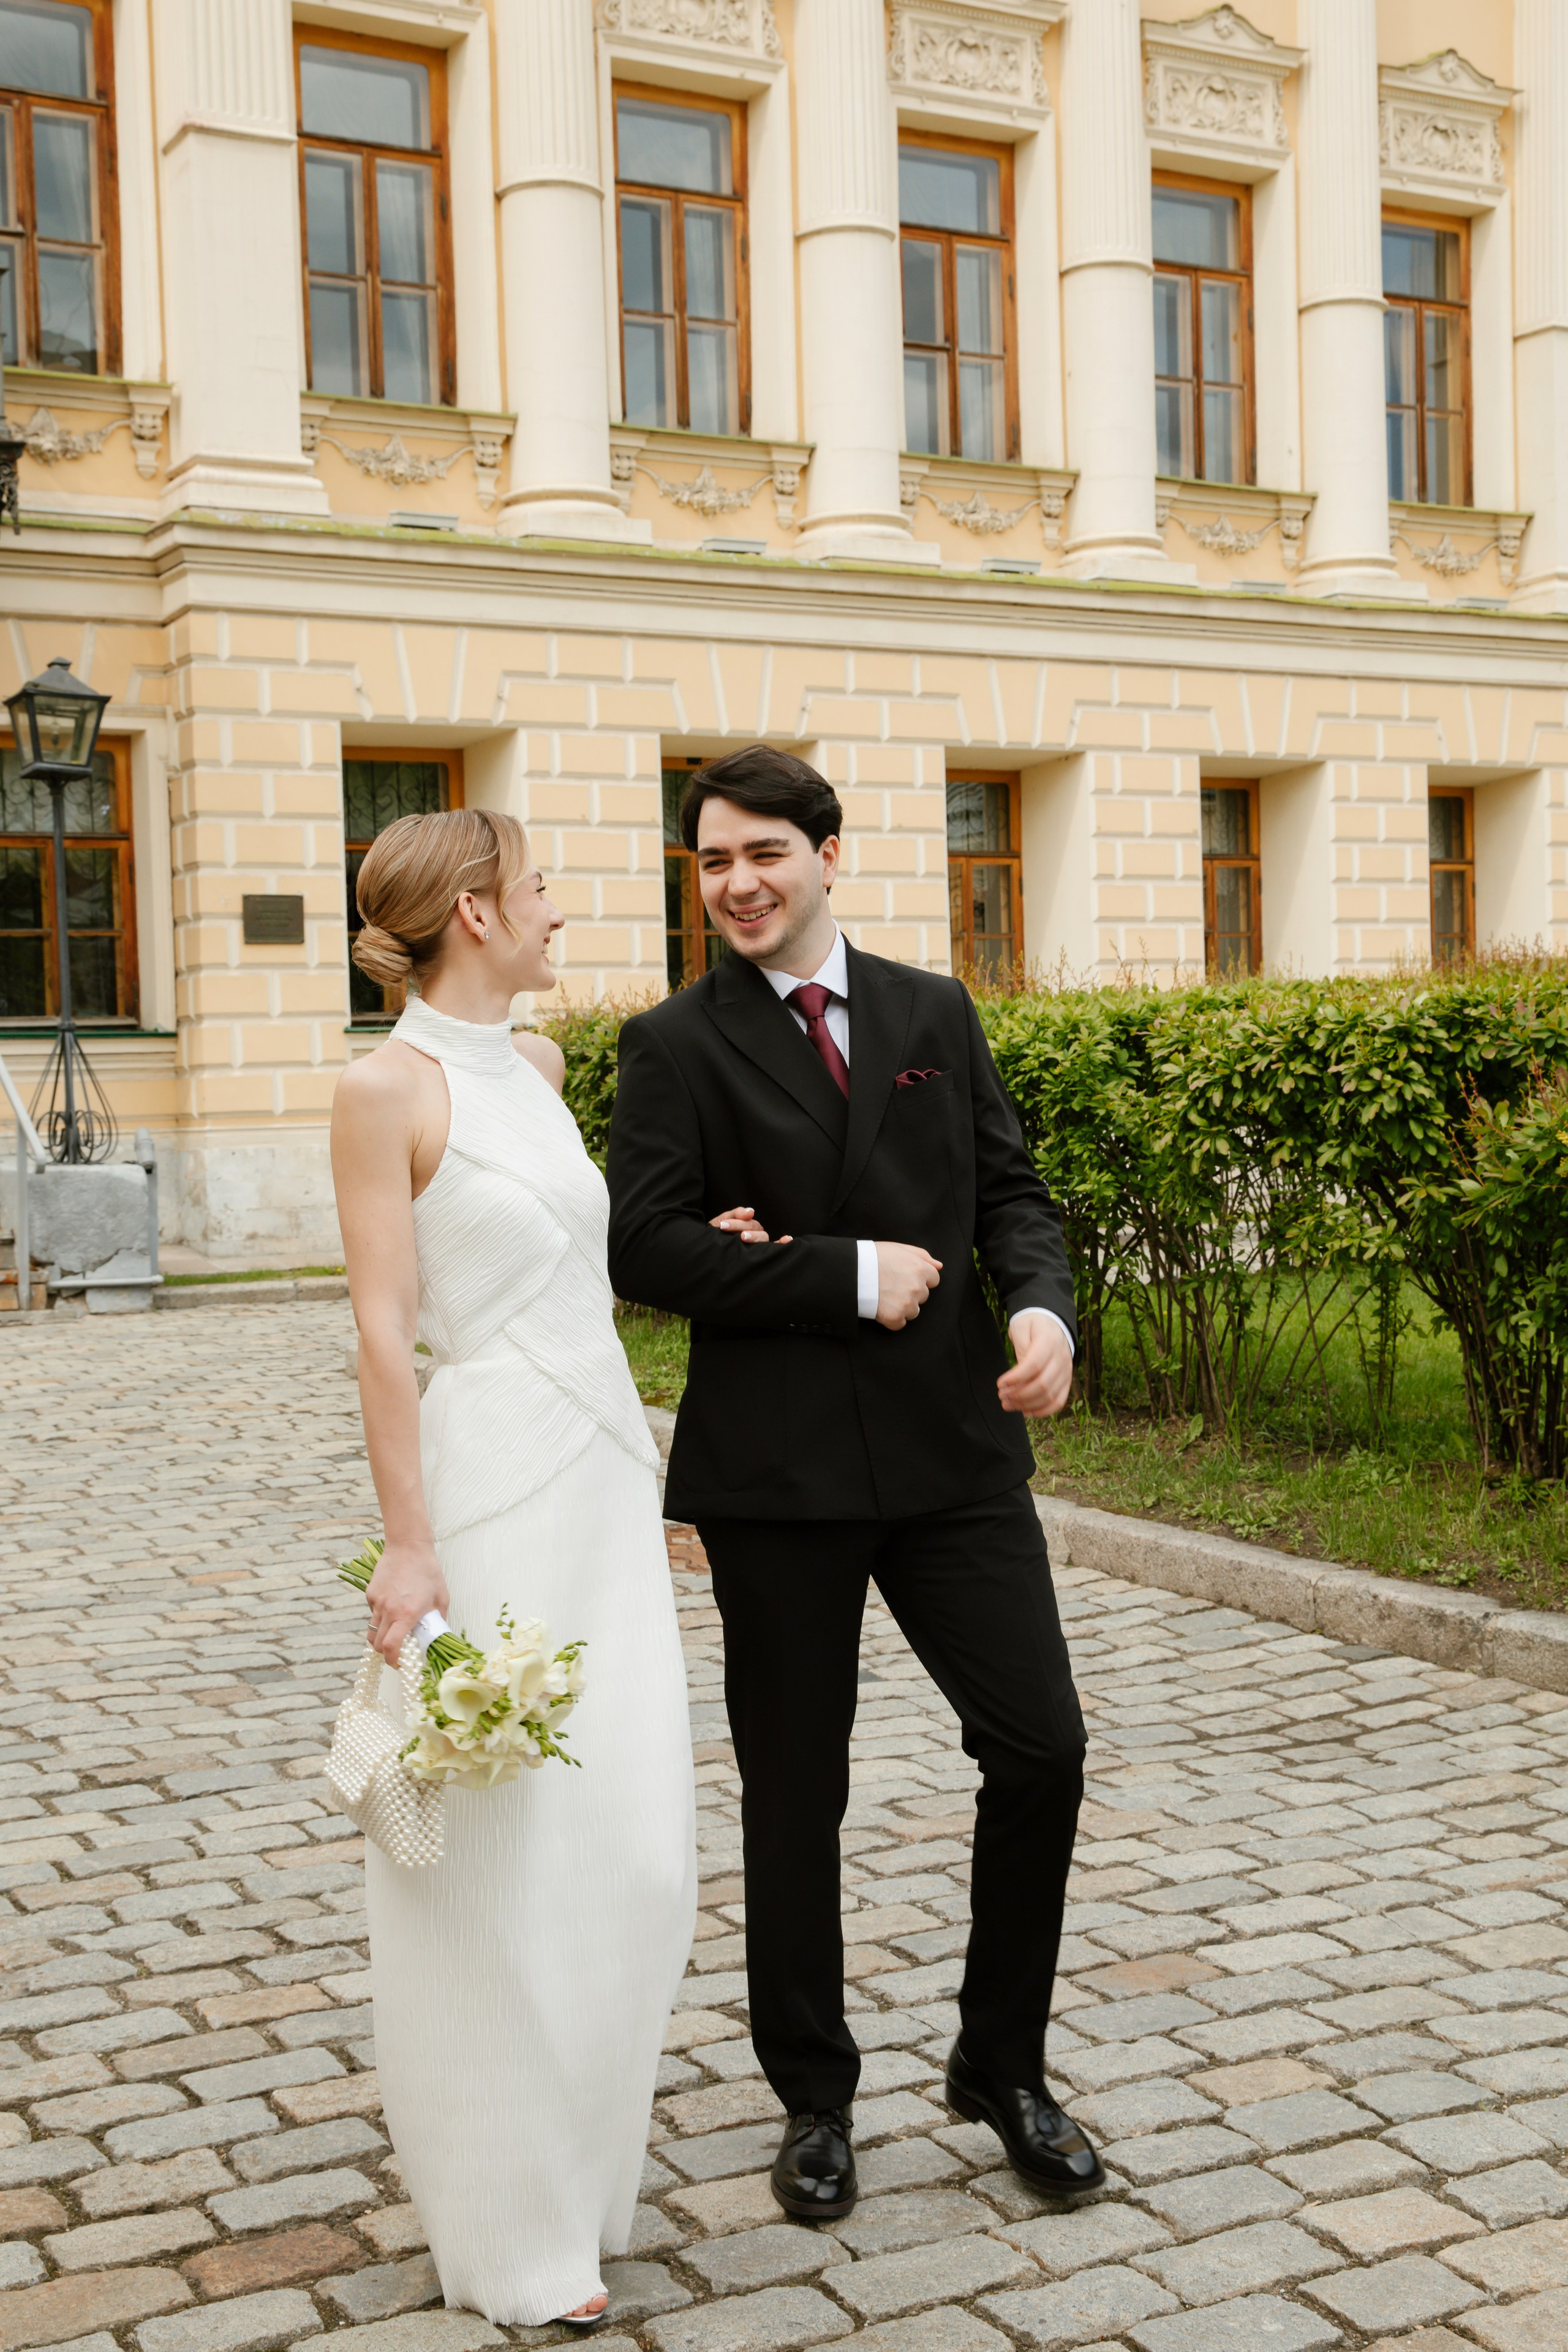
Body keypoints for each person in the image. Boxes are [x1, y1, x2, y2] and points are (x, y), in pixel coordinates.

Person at [606, 744, 1101, 2220]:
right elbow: (645, 1246)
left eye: (763, 853)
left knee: (1040, 1749)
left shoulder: (929, 1010)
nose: (738, 884)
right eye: (711, 862)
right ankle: (813, 2095)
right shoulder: (670, 1044)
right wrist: (843, 1273)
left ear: (829, 854)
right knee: (793, 1794)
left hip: (954, 1458)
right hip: (777, 1477)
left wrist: (1041, 1309)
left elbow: (1007, 1192)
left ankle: (1000, 2064)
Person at [330, 808, 696, 2331]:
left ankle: (586, 2166)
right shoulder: (381, 1089)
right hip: (486, 1489)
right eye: (538, 885)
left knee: (634, 1846)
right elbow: (379, 1329)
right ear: (476, 913)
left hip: (605, 1472)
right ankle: (512, 2230)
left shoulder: (540, 1072)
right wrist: (410, 1546)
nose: (559, 907)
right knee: (494, 1860)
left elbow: (562, 1261)